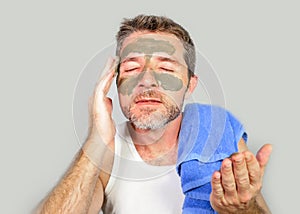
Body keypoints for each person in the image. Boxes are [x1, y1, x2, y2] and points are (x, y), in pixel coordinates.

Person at [37, 15, 272, 213]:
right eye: (131, 68)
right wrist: (95, 139)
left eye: (166, 68)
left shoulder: (220, 140)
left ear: (190, 85)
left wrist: (243, 210)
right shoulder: (107, 154)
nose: (147, 80)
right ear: (115, 81)